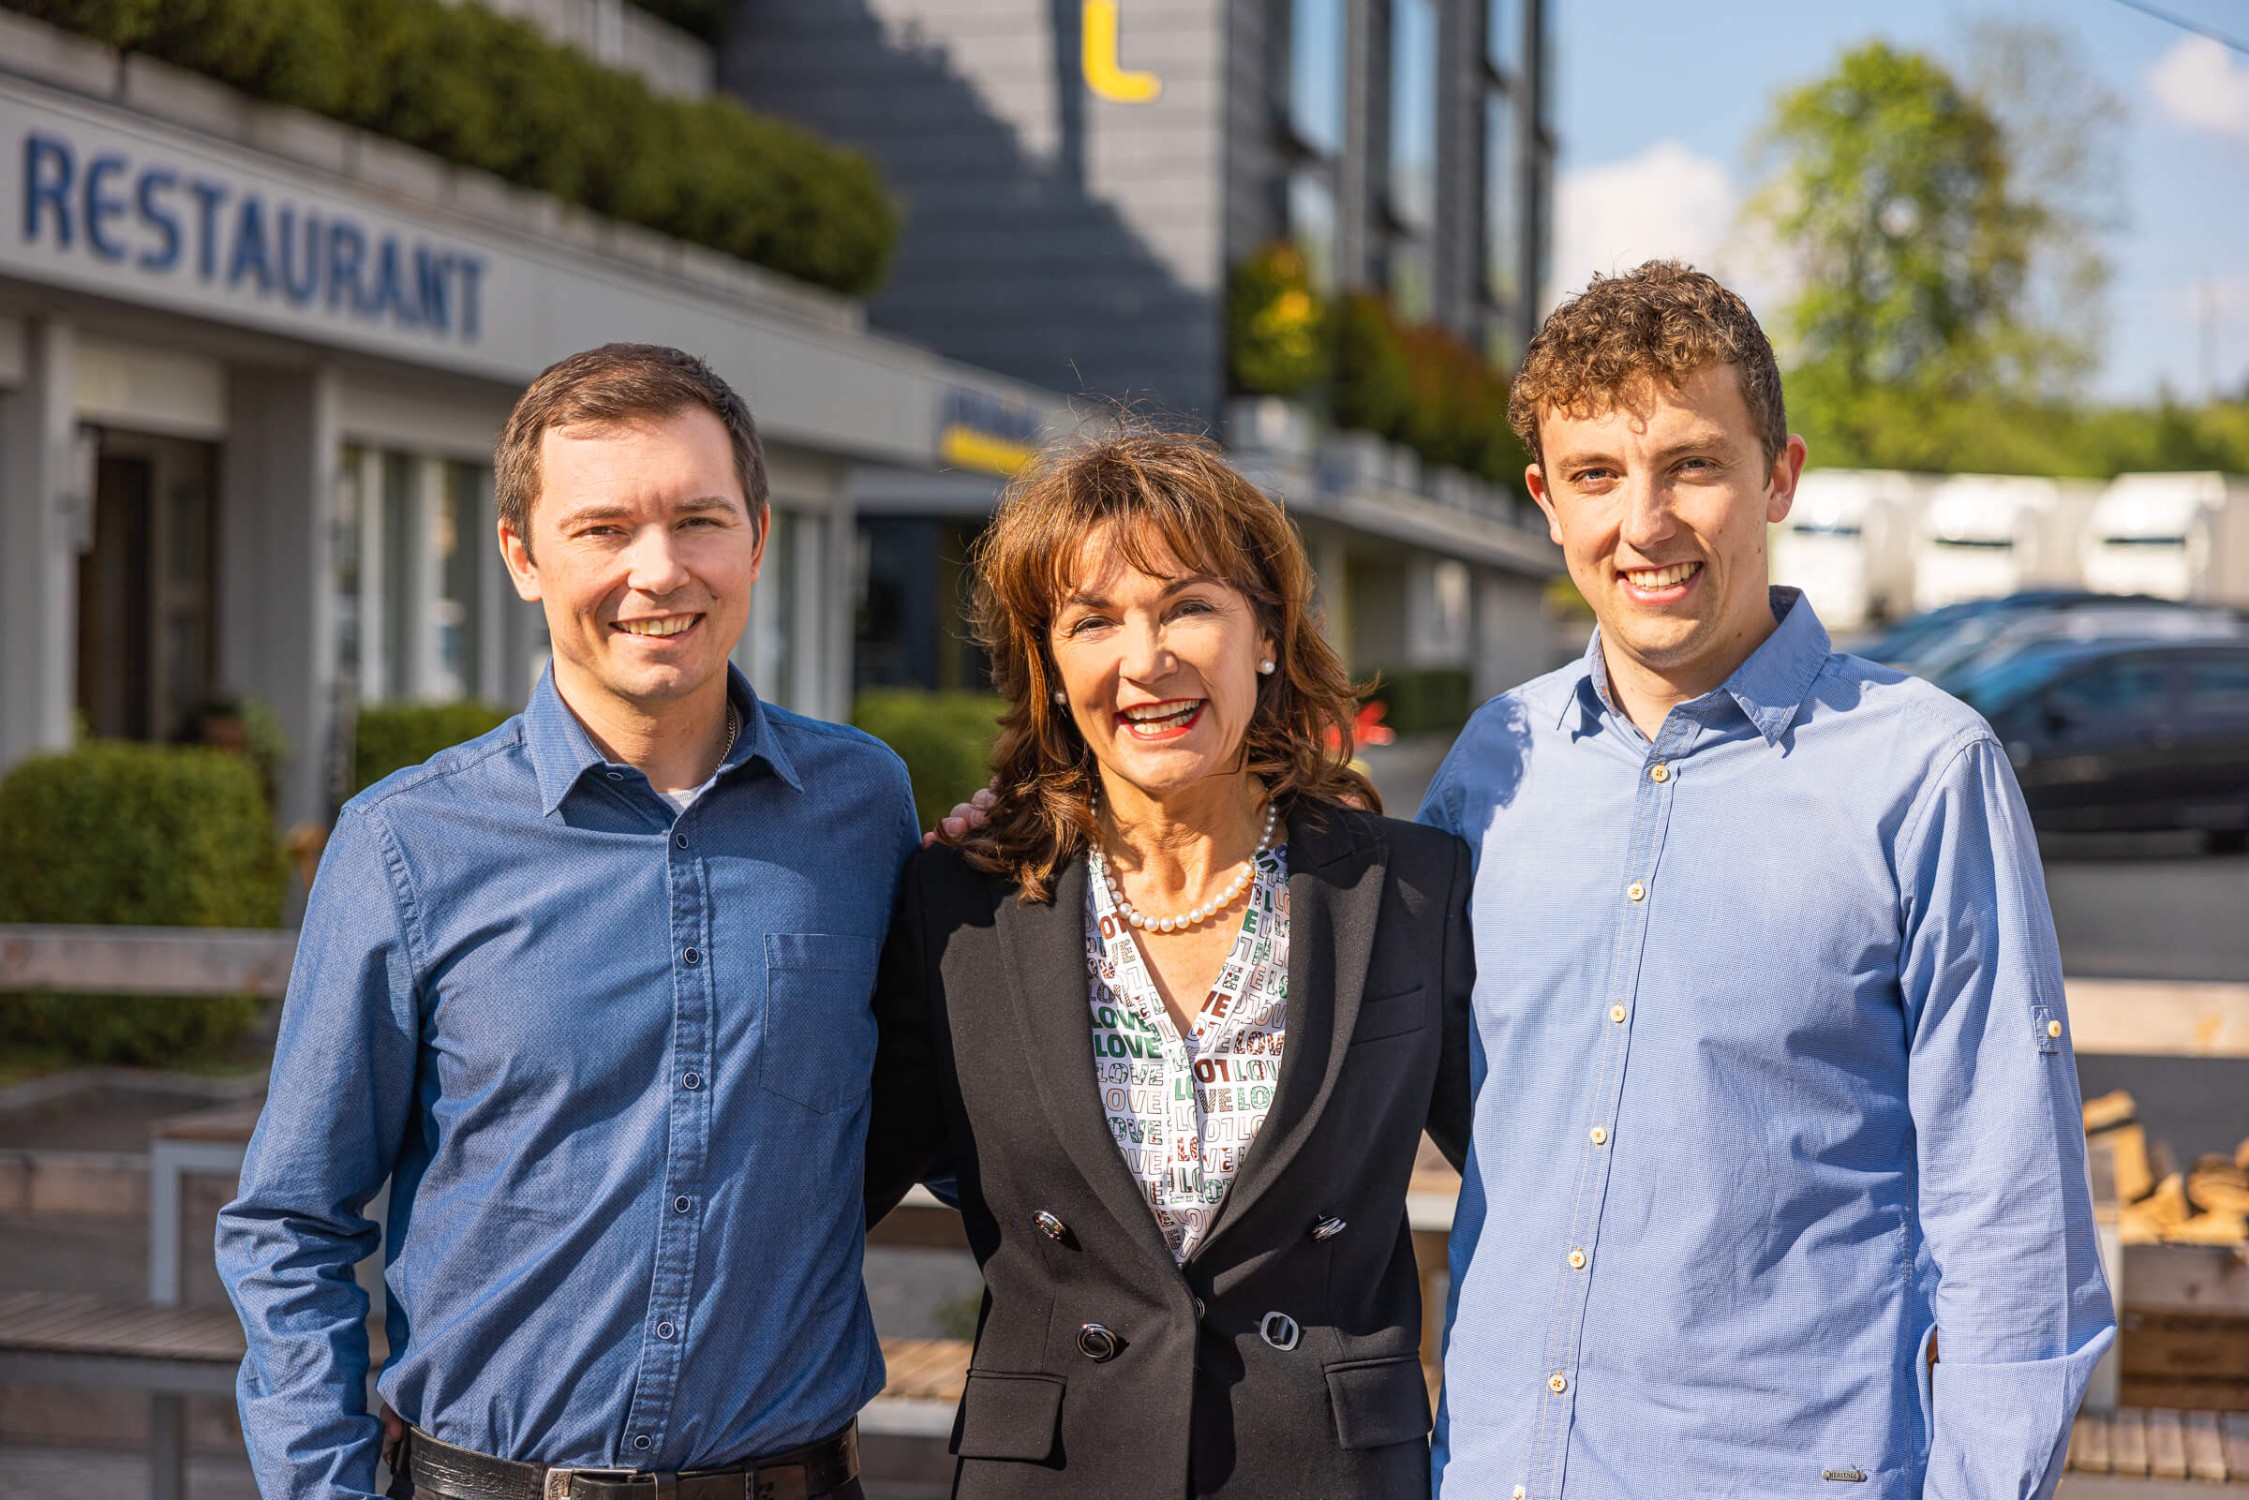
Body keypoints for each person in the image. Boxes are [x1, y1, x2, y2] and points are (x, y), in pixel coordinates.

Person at [1421, 263, 2113, 1498]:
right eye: (1594, 475)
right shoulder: (1492, 768)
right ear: (1543, 499)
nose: (1644, 522)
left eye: (1691, 464)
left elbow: (2013, 1217)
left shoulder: (1923, 770)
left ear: (1776, 476)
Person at [216, 345, 916, 1500]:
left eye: (697, 519)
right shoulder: (405, 844)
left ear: (757, 539)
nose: (658, 571)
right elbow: (290, 1221)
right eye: (601, 530)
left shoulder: (864, 807)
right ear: (522, 557)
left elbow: (939, 1092)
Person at [867, 430, 1476, 1499]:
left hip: (1324, 1471)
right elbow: (829, 1175)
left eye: (1186, 606)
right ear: (1049, 669)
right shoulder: (959, 906)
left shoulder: (1411, 893)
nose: (1143, 660)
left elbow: (1539, 1178)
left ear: (1268, 636)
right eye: (1091, 621)